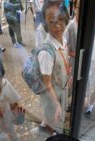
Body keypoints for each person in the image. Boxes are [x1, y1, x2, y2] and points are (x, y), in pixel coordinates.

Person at [37, 0, 70, 134]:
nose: (57, 26)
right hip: (52, 98)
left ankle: (47, 126)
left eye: (61, 19)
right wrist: (57, 105)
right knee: (53, 123)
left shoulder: (63, 40)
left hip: (61, 91)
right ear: (45, 24)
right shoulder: (46, 52)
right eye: (52, 22)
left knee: (54, 120)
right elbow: (47, 83)